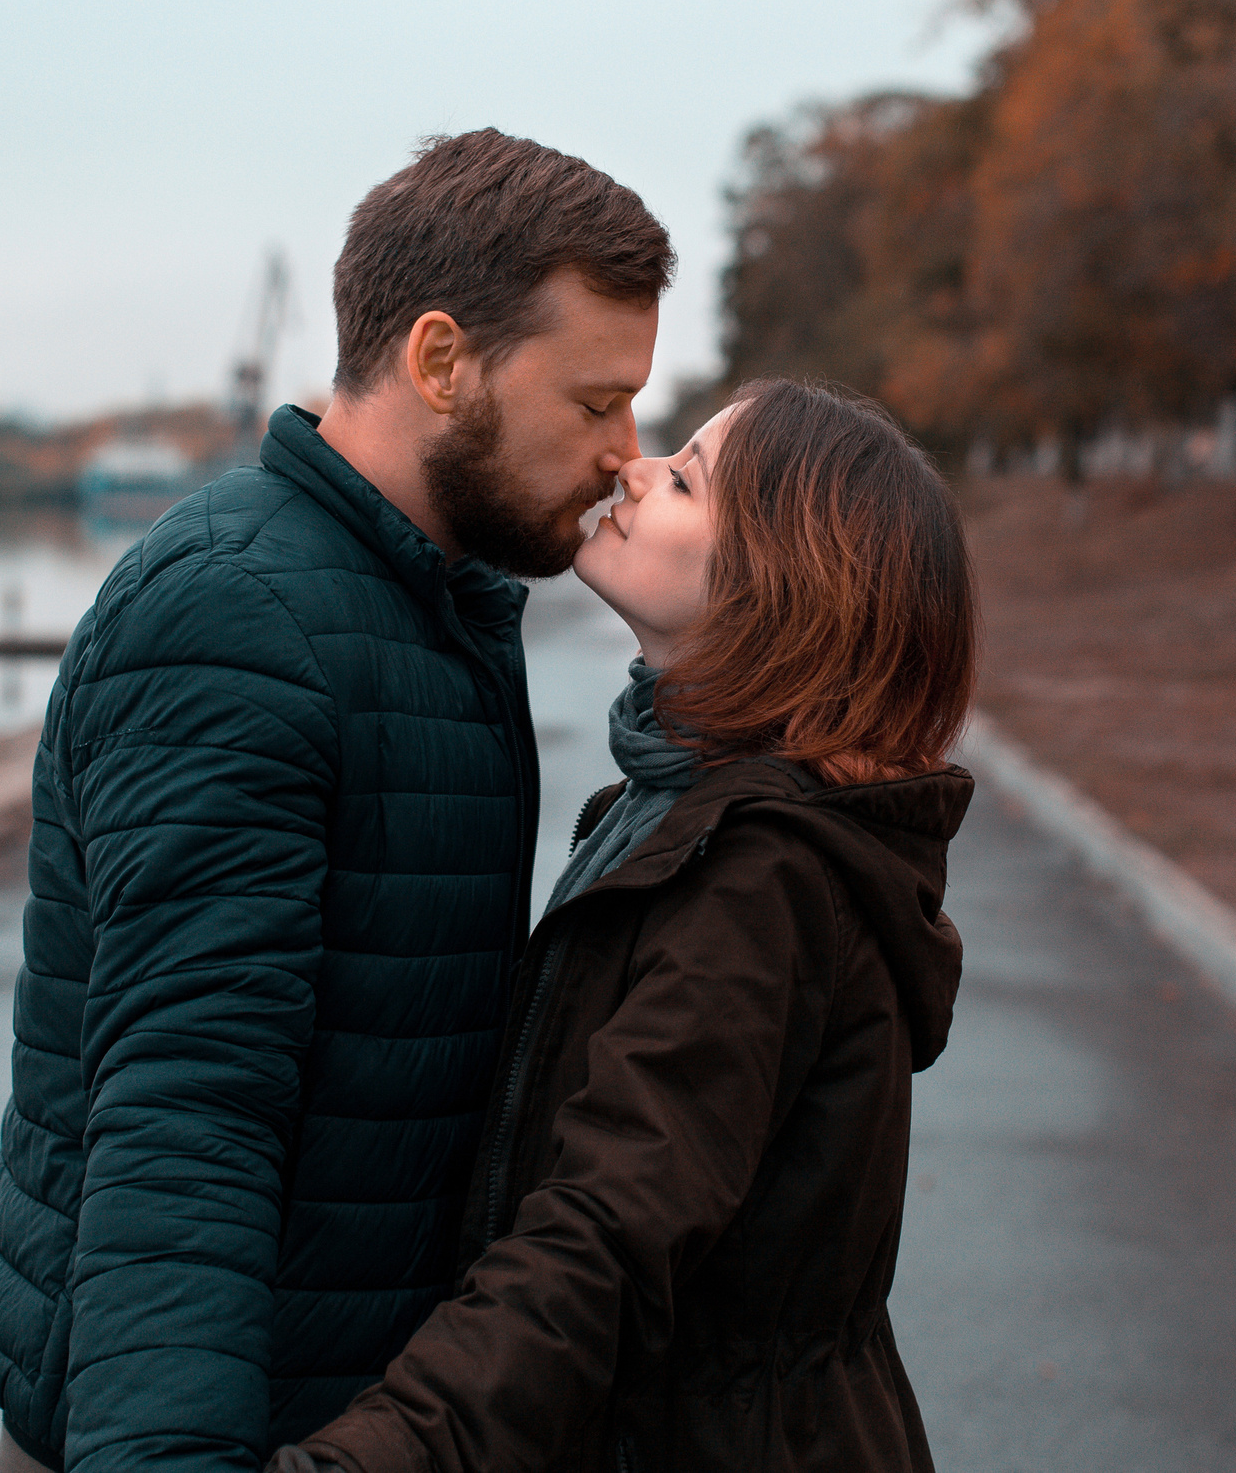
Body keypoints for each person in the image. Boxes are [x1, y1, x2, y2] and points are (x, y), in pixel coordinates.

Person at [0, 129, 675, 1473]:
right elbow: (186, 1116)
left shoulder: (430, 599)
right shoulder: (242, 611)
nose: (623, 454)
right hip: (197, 1428)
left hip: (340, 1408)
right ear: (440, 360)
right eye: (594, 404)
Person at [281, 377, 979, 1473]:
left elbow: (602, 1238)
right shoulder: (669, 814)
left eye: (686, 477)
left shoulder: (761, 876)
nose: (632, 467)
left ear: (777, 586)